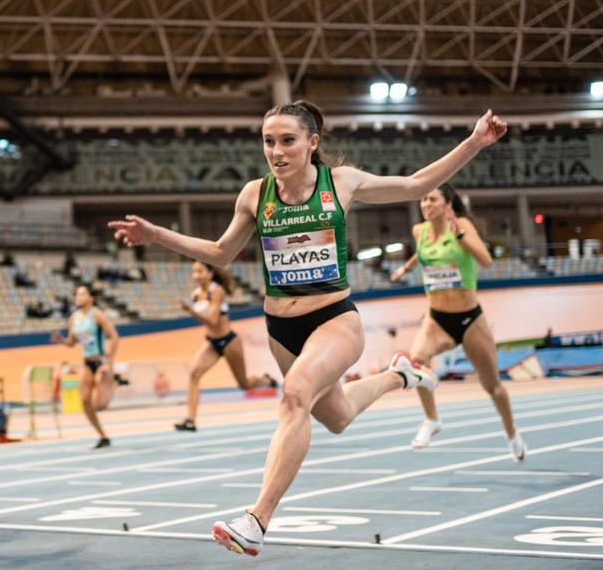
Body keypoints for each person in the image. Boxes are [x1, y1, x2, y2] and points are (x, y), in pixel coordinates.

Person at [109, 101, 507, 557]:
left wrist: (476, 141)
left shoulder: (342, 183)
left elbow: (417, 183)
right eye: (268, 141)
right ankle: (401, 374)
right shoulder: (255, 195)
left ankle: (256, 519)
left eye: (287, 141)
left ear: (312, 143)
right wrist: (158, 235)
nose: (276, 151)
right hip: (280, 326)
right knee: (335, 416)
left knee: (296, 394)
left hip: (335, 318)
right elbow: (220, 253)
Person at [389, 185, 524, 459]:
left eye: (432, 199)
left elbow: (485, 261)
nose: (426, 204)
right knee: (417, 359)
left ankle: (512, 434)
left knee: (493, 386)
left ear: (447, 204)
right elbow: (424, 253)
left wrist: (460, 235)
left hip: (470, 319)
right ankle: (432, 419)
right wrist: (406, 267)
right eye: (423, 199)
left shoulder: (460, 225)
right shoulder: (420, 231)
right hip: (437, 318)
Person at [174, 262, 277, 432]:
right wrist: (192, 309)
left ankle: (266, 380)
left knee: (244, 385)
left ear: (210, 273)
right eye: (194, 272)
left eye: (200, 271)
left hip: (229, 342)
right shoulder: (195, 295)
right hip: (212, 343)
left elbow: (213, 320)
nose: (196, 275)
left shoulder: (216, 291)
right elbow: (207, 323)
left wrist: (191, 311)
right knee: (194, 374)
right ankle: (190, 420)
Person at [52, 285, 121, 448]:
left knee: (98, 404)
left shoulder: (97, 315)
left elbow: (114, 336)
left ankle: (114, 380)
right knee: (84, 400)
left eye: (82, 294)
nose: (78, 297)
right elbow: (72, 342)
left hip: (102, 361)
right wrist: (61, 340)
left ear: (91, 298)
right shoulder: (74, 318)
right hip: (87, 362)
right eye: (76, 294)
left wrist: (108, 360)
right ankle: (103, 436)